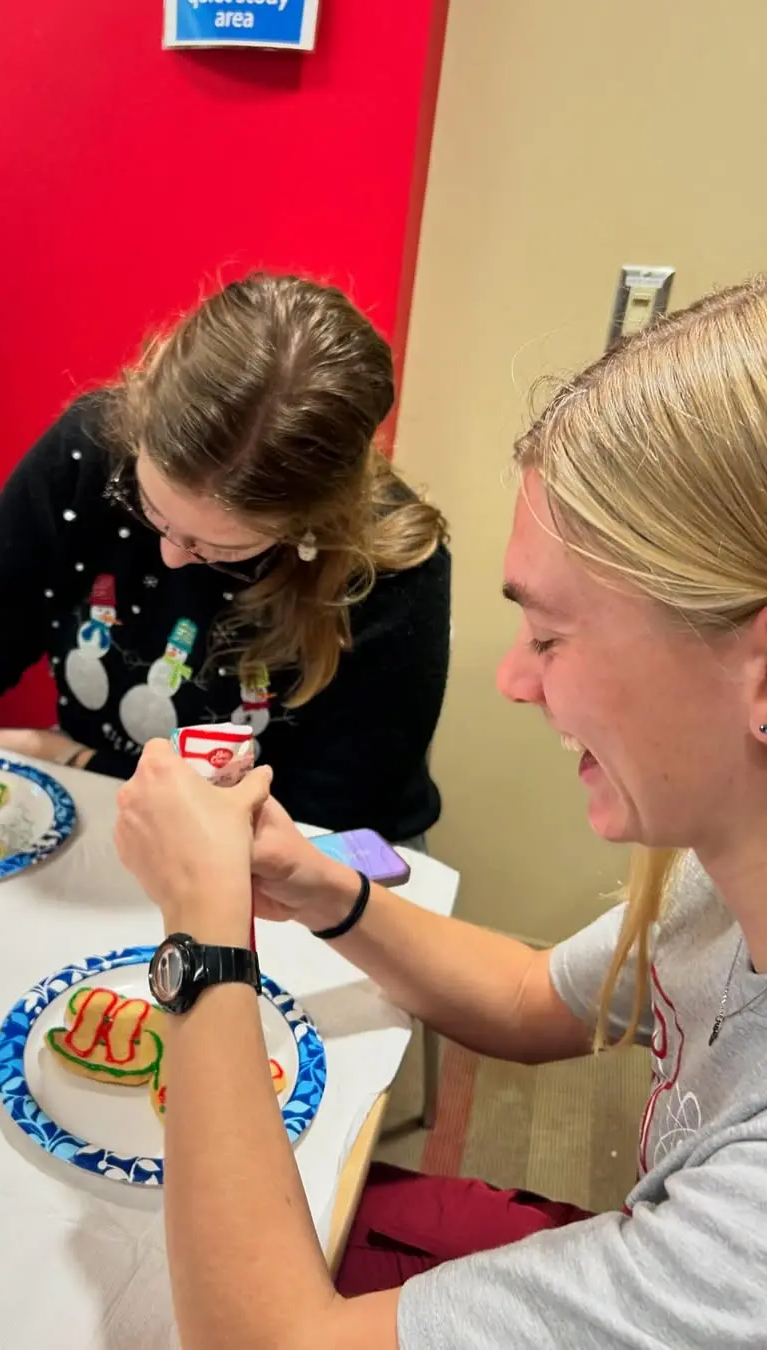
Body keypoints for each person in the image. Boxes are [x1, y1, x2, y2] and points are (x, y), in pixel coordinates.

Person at [114, 275, 767, 1349]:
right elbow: (527, 998)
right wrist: (324, 890)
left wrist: (203, 934)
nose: (515, 680)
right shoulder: (718, 882)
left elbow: (261, 1340)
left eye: (552, 636)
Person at [0, 274, 450, 840]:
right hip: (113, 819)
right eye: (146, 507)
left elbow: (323, 828)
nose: (169, 555)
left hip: (288, 866)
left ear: (314, 521)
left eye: (222, 549)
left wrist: (83, 761)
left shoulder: (394, 570)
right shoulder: (92, 447)